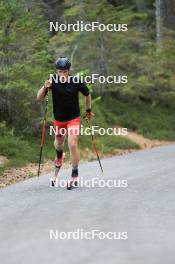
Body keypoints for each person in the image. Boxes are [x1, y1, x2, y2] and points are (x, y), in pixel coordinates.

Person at [36, 56, 93, 189]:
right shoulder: (53, 81)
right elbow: (38, 99)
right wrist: (45, 87)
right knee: (59, 144)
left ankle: (74, 174)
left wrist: (88, 109)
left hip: (73, 118)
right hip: (59, 120)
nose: (62, 74)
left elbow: (87, 94)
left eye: (65, 71)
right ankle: (59, 157)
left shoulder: (76, 81)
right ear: (57, 71)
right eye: (60, 71)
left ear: (69, 71)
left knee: (72, 144)